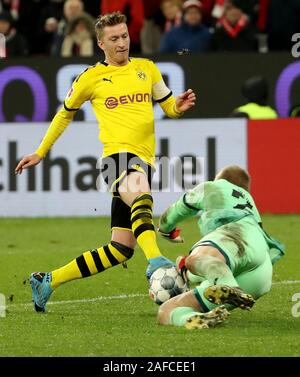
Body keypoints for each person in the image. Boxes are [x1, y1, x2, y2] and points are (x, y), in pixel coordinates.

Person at [15, 12, 196, 313]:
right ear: (101, 43)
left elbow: (167, 104)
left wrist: (177, 107)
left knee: (121, 248)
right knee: (141, 194)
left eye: (124, 36)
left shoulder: (147, 69)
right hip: (116, 158)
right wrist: (41, 151)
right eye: (114, 39)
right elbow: (64, 114)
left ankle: (48, 280)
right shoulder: (90, 77)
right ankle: (156, 262)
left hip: (144, 159)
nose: (122, 43)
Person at [157, 165, 285, 329]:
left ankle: (231, 288)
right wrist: (187, 274)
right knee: (166, 311)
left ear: (221, 179)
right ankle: (196, 318)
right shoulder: (249, 202)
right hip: (259, 275)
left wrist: (164, 229)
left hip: (237, 234)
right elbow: (218, 267)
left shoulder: (216, 187)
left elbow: (177, 210)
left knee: (194, 260)